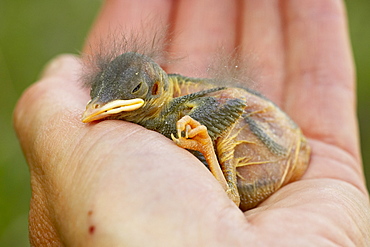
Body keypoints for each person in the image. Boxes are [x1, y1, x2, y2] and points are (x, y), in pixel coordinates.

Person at [14, 0, 370, 246]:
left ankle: (226, 183)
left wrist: (202, 141)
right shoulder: (151, 113)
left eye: (134, 91)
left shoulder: (180, 111)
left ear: (154, 88)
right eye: (100, 93)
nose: (97, 108)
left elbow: (235, 104)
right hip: (277, 157)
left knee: (200, 130)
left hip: (274, 156)